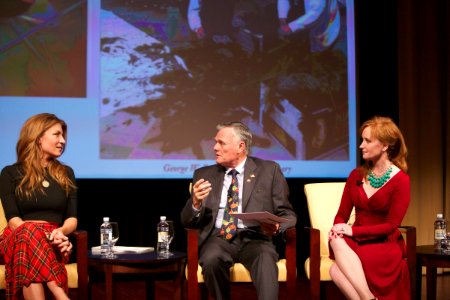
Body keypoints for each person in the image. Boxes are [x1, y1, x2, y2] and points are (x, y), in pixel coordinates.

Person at [181, 121, 297, 300]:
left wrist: (276, 227)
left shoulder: (269, 170)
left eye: (221, 143)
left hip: (256, 239)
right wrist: (195, 203)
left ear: (240, 146)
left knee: (266, 260)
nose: (214, 147)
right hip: (219, 238)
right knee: (211, 259)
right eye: (215, 142)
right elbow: (187, 221)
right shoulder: (203, 174)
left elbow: (288, 215)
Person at [328, 116, 411, 300]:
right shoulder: (355, 175)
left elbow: (391, 226)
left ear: (384, 146)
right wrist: (338, 227)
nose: (361, 146)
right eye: (361, 140)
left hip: (383, 243)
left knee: (335, 270)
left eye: (367, 141)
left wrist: (351, 231)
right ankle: (368, 298)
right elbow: (342, 214)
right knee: (335, 238)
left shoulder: (401, 181)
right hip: (355, 239)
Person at [0, 113, 77, 300]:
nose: (63, 140)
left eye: (63, 136)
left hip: (55, 240)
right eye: (57, 134)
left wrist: (60, 233)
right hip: (18, 235)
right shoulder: (10, 173)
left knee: (27, 254)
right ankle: (61, 296)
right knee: (28, 234)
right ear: (38, 137)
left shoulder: (66, 173)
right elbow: (13, 220)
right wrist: (41, 235)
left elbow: (72, 218)